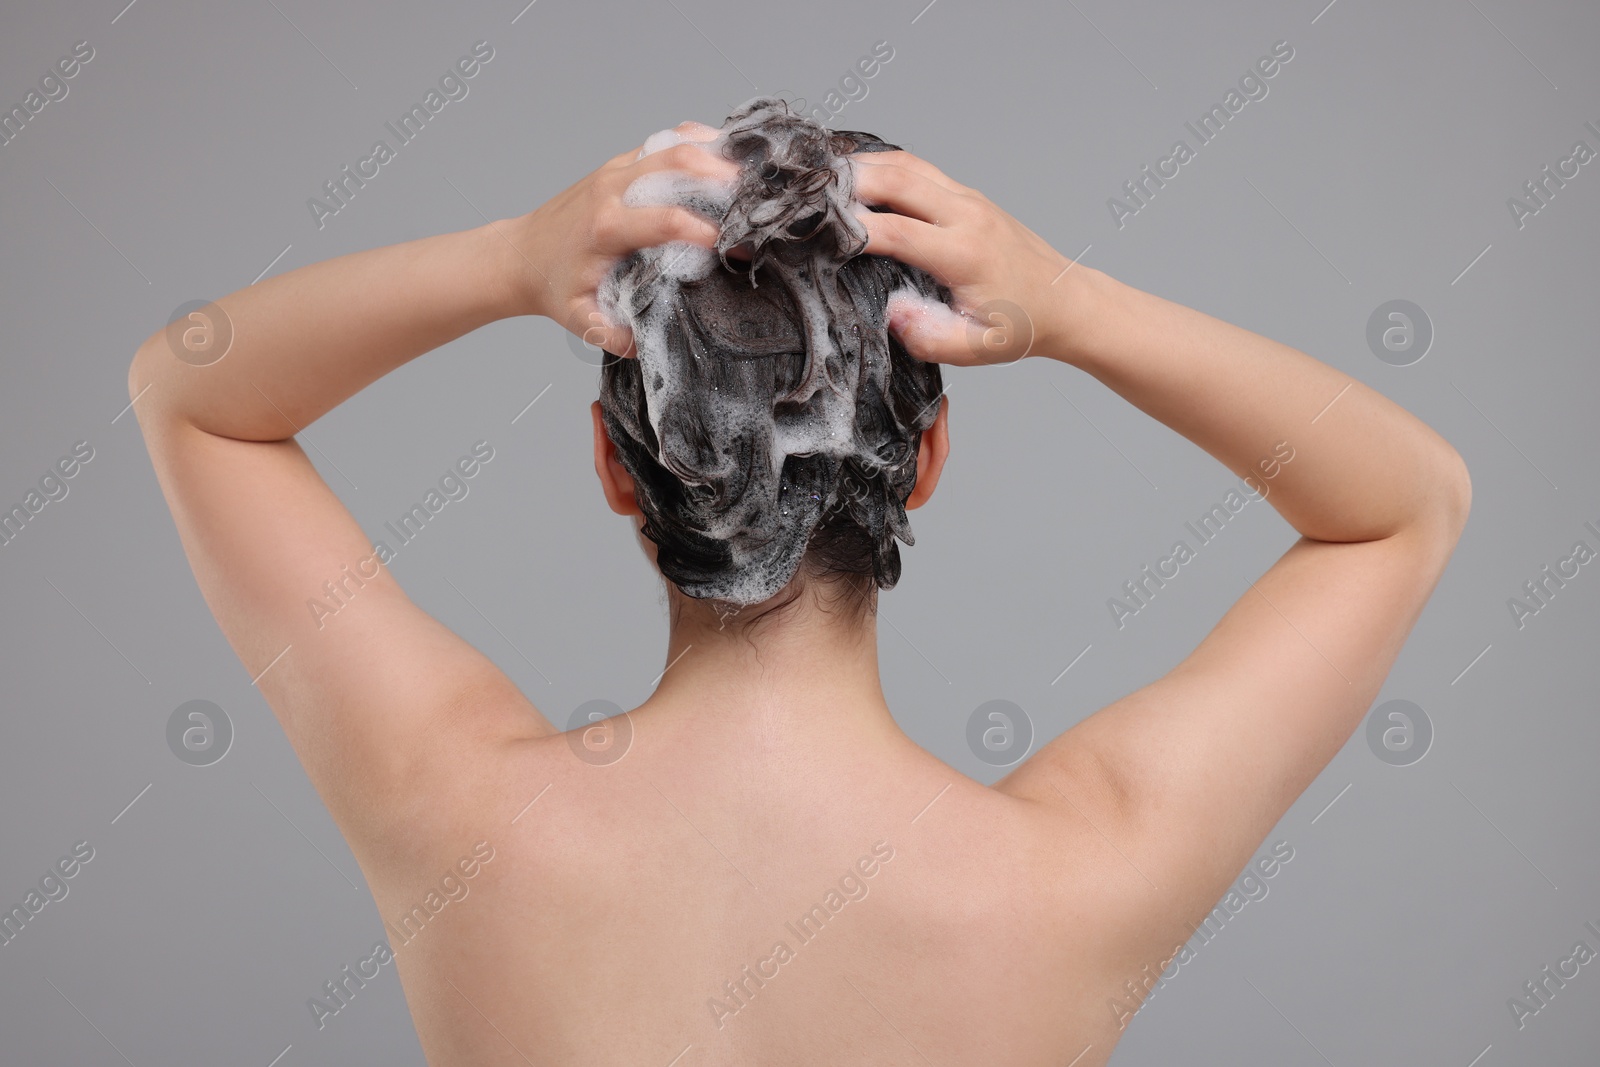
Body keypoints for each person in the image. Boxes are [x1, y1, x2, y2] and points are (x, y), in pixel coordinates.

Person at [128, 103, 1470, 1066]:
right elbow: (1402, 507)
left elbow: (191, 394)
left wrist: (506, 261)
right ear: (927, 457)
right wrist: (1071, 304)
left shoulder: (454, 814)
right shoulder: (1076, 875)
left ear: (613, 461)